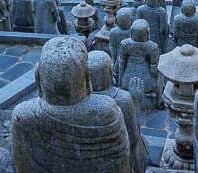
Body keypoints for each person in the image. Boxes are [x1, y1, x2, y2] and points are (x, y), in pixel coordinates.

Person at [11, 37, 131, 173]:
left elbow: (22, 165)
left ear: (38, 75)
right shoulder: (107, 112)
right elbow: (122, 164)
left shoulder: (23, 115)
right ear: (87, 76)